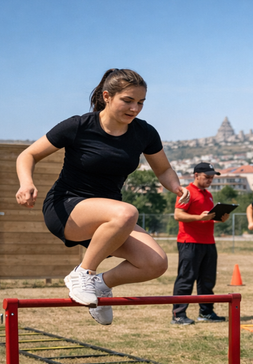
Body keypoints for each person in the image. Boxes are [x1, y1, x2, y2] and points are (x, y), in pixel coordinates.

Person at [15, 68, 185, 325]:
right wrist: (26, 183)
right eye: (128, 101)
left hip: (111, 219)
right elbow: (28, 155)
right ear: (107, 96)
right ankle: (82, 273)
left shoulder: (144, 133)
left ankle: (100, 284)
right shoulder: (78, 126)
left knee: (155, 263)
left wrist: (176, 187)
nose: (135, 108)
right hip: (67, 207)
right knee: (126, 211)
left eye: (140, 102)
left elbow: (163, 169)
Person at [170, 162, 230, 325]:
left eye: (212, 177)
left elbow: (207, 219)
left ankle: (206, 312)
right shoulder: (186, 192)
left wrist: (219, 218)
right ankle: (178, 315)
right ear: (196, 175)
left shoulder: (208, 195)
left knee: (207, 280)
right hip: (189, 242)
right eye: (207, 177)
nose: (210, 180)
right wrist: (198, 217)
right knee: (186, 279)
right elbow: (178, 215)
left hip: (208, 242)